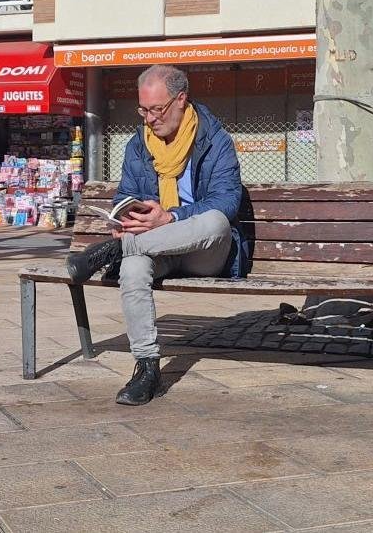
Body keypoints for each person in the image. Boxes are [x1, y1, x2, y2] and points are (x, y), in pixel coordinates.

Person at [64, 65, 245, 406]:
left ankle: (114, 251)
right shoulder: (138, 144)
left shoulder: (216, 140)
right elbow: (126, 194)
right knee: (134, 267)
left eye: (157, 109)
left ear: (181, 99)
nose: (149, 118)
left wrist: (170, 217)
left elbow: (226, 201)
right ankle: (147, 367)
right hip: (158, 247)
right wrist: (126, 217)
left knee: (216, 221)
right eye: (143, 110)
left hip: (204, 252)